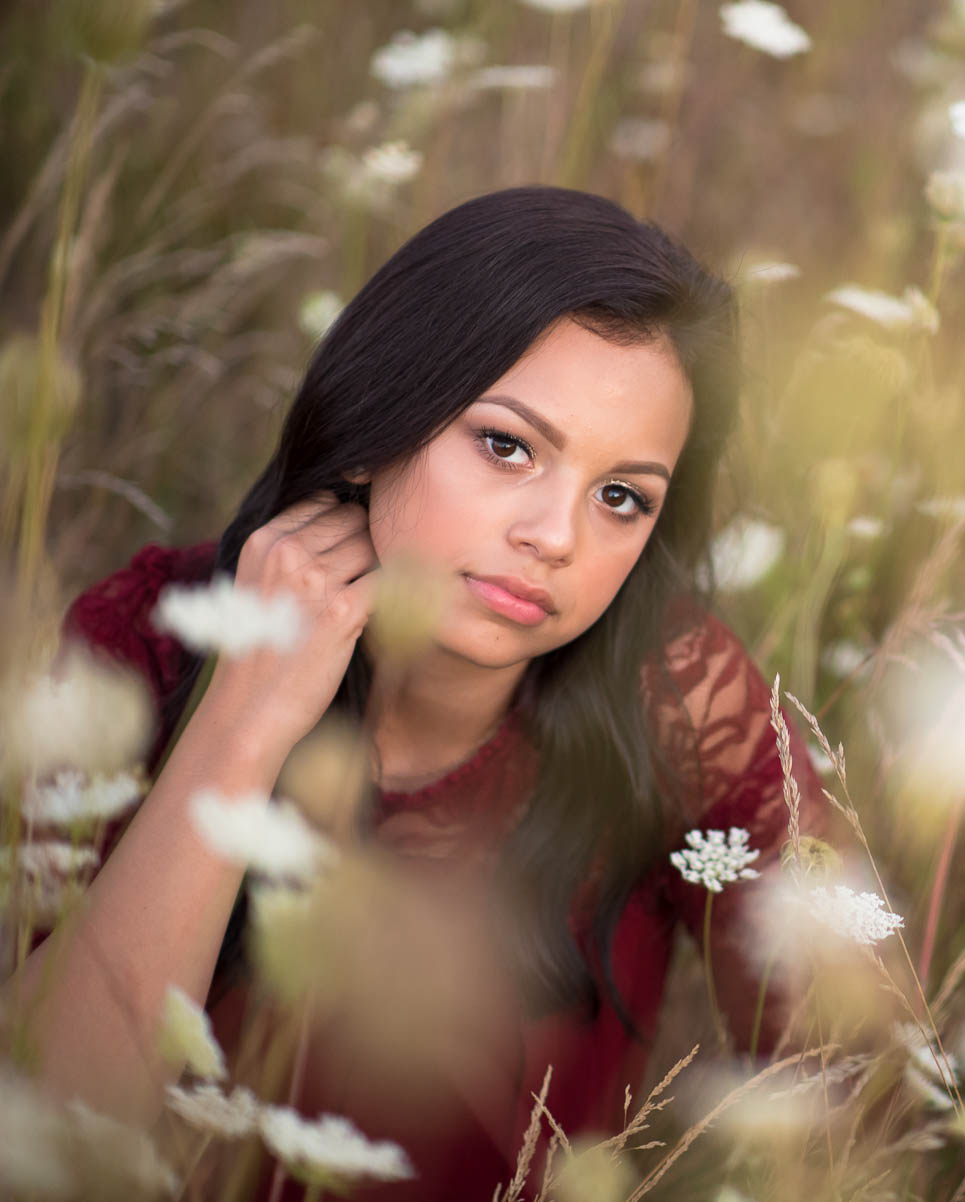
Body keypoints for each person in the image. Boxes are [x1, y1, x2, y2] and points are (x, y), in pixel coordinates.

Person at [11, 186, 839, 1199]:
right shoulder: (139, 647)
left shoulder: (676, 701)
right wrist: (243, 722)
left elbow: (854, 1073)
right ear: (373, 422)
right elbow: (45, 1135)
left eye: (622, 496)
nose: (556, 535)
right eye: (508, 444)